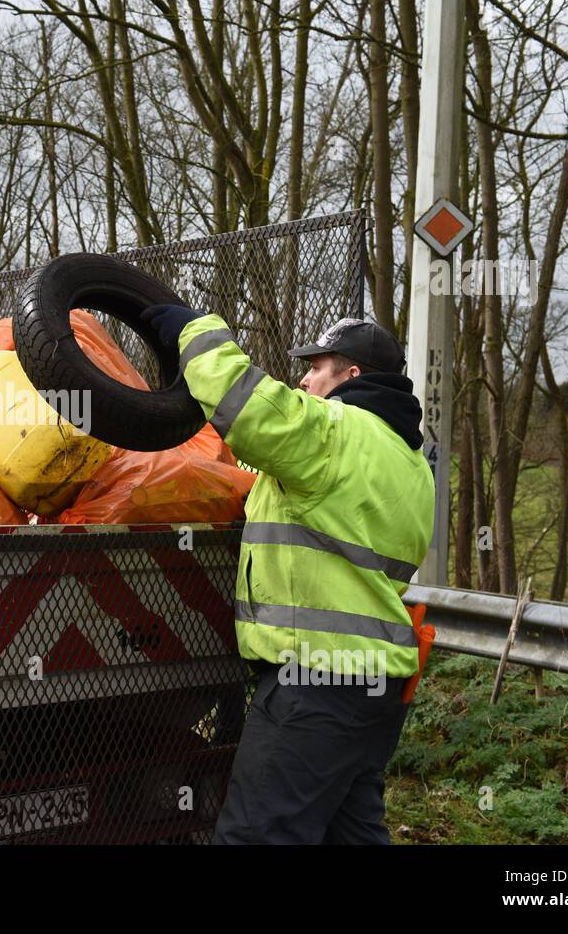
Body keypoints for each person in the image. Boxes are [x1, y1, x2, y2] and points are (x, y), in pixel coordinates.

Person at [141, 307, 435, 844]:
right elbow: (289, 484)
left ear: (353, 377)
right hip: (377, 688)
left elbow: (244, 402)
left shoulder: (333, 431)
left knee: (258, 835)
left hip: (314, 686)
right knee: (351, 836)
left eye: (317, 367)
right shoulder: (411, 461)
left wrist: (192, 328)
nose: (303, 378)